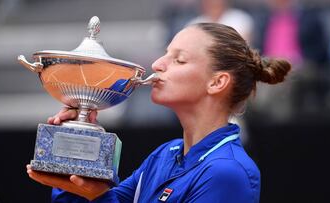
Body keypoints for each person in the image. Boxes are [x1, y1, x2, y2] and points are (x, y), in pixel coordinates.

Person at [26, 23, 291, 202]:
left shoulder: (227, 172)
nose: (157, 64)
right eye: (166, 53)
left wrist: (98, 194)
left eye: (179, 59)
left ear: (217, 82)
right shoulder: (166, 154)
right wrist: (73, 150)